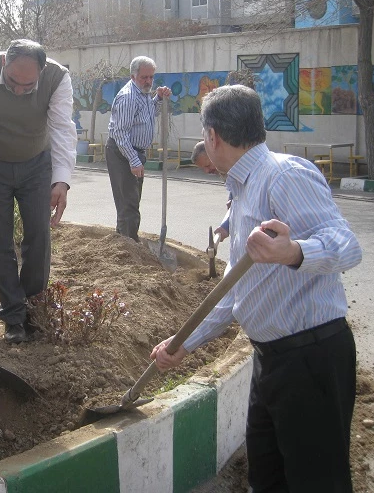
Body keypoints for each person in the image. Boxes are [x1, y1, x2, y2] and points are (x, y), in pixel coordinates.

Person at [151, 85, 362, 492]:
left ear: (212, 136)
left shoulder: (284, 175)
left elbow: (348, 246)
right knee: (267, 477)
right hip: (272, 360)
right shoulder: (242, 185)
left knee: (317, 482)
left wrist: (295, 251)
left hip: (311, 359)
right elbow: (235, 288)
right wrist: (183, 343)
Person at [0, 39, 76, 344]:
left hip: (36, 163)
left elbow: (63, 128)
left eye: (29, 84)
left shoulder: (57, 77)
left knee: (39, 235)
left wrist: (61, 180)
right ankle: (13, 316)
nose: (20, 90)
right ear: (3, 64)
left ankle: (33, 309)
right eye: (13, 81)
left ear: (41, 71)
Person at [105, 56, 171, 242]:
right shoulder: (128, 97)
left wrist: (158, 98)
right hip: (123, 153)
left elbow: (149, 113)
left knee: (132, 202)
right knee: (129, 205)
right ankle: (129, 245)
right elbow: (120, 133)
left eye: (151, 77)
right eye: (144, 77)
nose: (149, 81)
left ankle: (124, 242)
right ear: (133, 76)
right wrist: (133, 159)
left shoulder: (143, 94)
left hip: (134, 153)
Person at [192, 140, 230, 241]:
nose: (207, 171)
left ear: (214, 155)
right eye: (203, 168)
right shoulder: (225, 173)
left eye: (208, 166)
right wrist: (225, 227)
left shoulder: (234, 169)